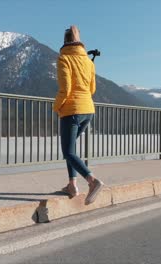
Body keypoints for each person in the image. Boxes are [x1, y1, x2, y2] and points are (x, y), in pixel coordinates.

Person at [53, 25, 104, 204]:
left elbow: (65, 89)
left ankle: (92, 181)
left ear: (65, 41)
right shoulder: (88, 62)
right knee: (71, 150)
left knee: (68, 152)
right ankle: (72, 185)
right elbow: (92, 88)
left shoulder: (64, 59)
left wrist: (57, 107)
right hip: (88, 110)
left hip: (71, 111)